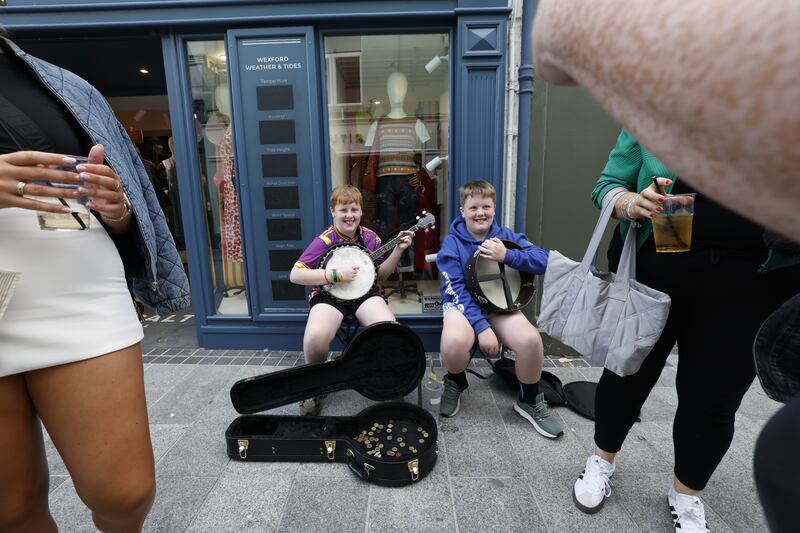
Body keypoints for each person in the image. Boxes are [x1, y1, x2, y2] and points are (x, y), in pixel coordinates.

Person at [0, 31, 189, 532]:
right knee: (10, 510)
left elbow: (125, 213)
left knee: (124, 493)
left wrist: (117, 207)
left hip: (76, 283)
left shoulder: (64, 84)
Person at [571, 129, 800, 532]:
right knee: (626, 373)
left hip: (753, 278)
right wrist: (630, 203)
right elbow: (607, 187)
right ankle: (601, 459)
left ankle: (686, 493)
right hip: (662, 257)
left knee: (714, 398)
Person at [531, 0, 800, 243]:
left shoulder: (775, 105)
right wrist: (633, 204)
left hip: (762, 278)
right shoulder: (651, 111)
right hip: (657, 279)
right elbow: (605, 187)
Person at [435, 180, 563, 438]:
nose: (480, 212)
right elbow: (454, 288)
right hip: (463, 306)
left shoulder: (508, 237)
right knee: (454, 342)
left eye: (486, 206)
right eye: (473, 207)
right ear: (462, 211)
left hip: (499, 306)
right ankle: (455, 381)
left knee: (530, 341)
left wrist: (508, 255)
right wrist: (482, 328)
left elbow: (545, 261)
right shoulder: (452, 243)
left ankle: (528, 400)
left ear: (494, 208)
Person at [289, 184, 412, 415]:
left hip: (365, 294)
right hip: (329, 295)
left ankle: (390, 381)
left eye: (354, 209)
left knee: (389, 330)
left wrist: (397, 251)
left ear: (361, 212)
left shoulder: (371, 238)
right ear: (333, 211)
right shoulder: (324, 241)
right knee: (316, 336)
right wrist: (334, 275)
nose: (349, 215)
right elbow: (295, 274)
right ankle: (315, 384)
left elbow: (380, 277)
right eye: (343, 209)